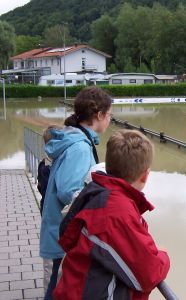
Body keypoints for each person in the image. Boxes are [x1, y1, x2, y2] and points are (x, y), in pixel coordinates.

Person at [53, 130, 170, 300]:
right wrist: (163, 255)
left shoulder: (101, 193)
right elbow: (149, 275)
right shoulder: (115, 211)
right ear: (145, 175)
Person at [40, 86, 112, 300]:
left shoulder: (76, 139)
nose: (109, 120)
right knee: (56, 291)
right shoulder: (80, 148)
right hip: (62, 238)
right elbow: (70, 192)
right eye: (109, 115)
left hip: (58, 233)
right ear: (98, 115)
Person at [37, 124, 64, 216]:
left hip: (47, 207)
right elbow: (46, 190)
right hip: (50, 210)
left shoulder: (46, 163)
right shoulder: (46, 166)